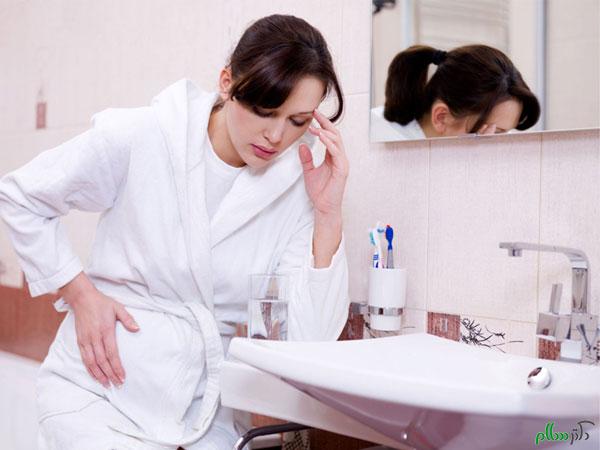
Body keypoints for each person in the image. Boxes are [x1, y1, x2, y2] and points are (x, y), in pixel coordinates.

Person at [0, 14, 350, 449]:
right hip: (96, 396)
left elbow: (308, 341)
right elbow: (21, 197)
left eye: (297, 121)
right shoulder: (144, 135)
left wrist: (328, 214)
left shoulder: (296, 183)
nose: (276, 136)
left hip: (203, 415)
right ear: (227, 82)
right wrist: (80, 294)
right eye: (265, 110)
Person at [370, 44, 541, 142]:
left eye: (505, 133)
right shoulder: (382, 144)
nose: (503, 147)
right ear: (441, 117)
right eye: (494, 134)